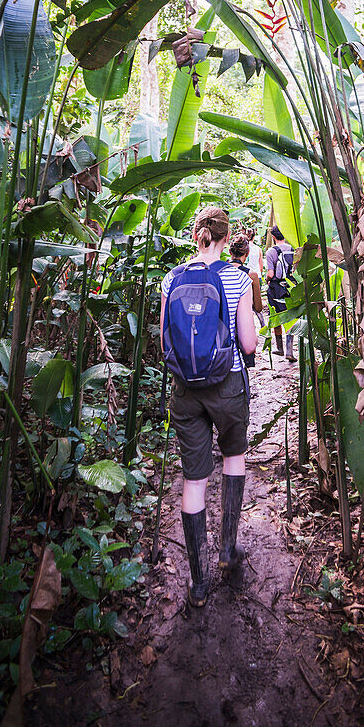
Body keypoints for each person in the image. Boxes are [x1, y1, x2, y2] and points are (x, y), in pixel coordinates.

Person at [160, 206, 257, 607]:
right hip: (228, 384)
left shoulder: (170, 278)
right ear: (224, 237)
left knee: (194, 479)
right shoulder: (238, 278)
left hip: (185, 388)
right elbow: (248, 344)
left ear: (197, 234)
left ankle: (198, 583)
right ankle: (226, 551)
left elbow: (165, 336)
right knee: (234, 458)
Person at [228, 233, 263, 360]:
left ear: (230, 251)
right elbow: (258, 307)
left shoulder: (219, 271)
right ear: (247, 253)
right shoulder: (251, 275)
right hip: (244, 326)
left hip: (224, 324)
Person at [265, 224, 296, 362]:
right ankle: (289, 350)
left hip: (276, 287)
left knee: (276, 315)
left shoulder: (271, 252)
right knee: (290, 317)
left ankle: (279, 347)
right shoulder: (292, 249)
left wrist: (266, 279)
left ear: (273, 237)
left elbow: (271, 274)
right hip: (290, 287)